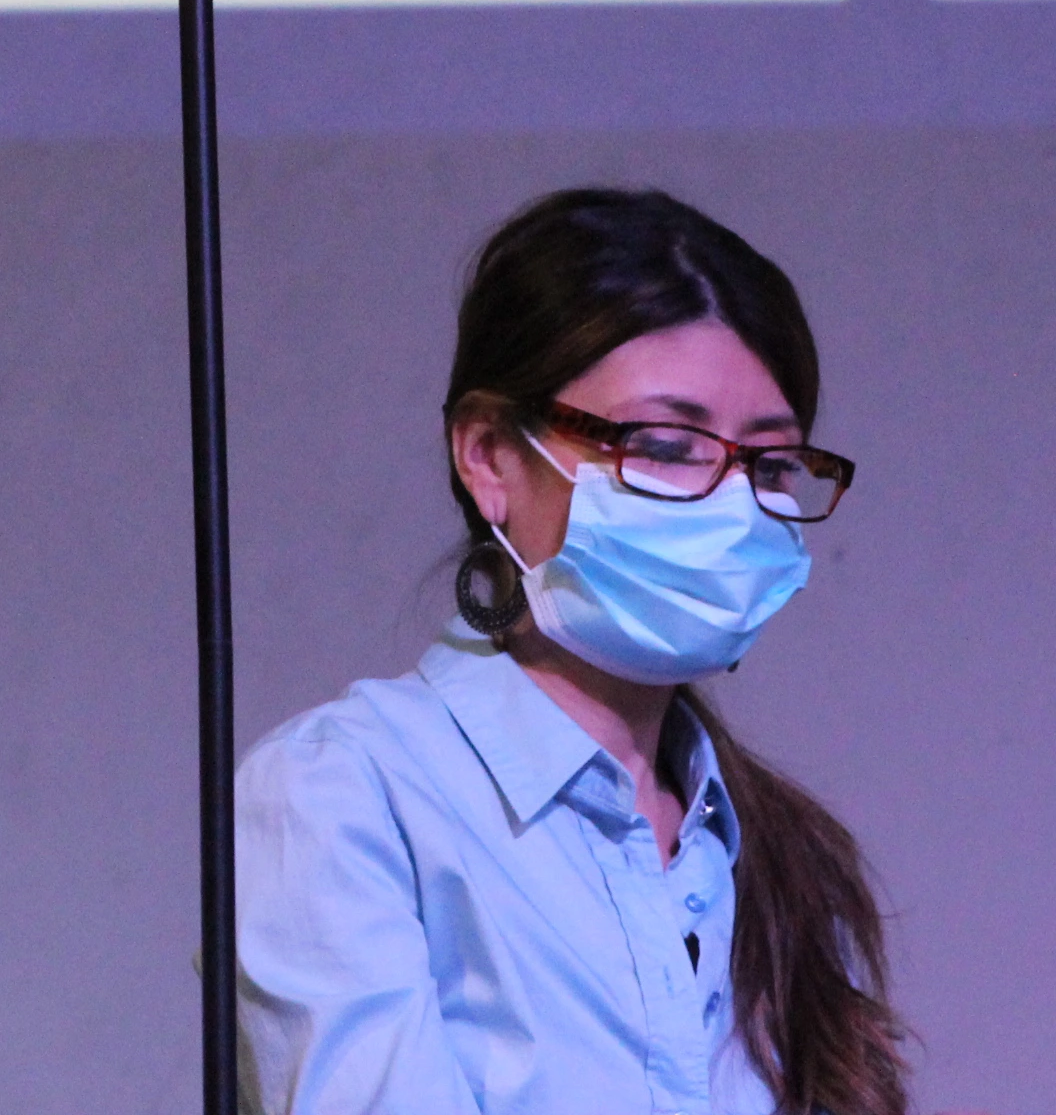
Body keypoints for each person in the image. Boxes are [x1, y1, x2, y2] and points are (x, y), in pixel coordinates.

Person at [235, 187, 907, 1115]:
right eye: (664, 446)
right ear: (489, 456)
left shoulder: (778, 856)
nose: (727, 505)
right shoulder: (347, 794)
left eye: (769, 463)